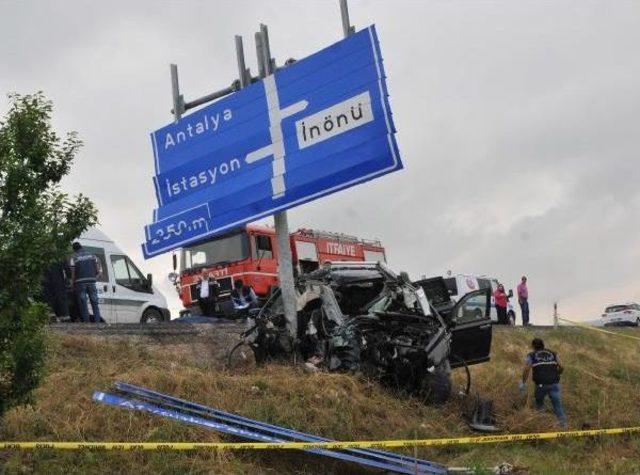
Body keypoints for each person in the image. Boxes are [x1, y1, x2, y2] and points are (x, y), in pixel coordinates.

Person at [520, 338, 567, 428]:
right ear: (543, 345)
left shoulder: (531, 355)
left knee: (539, 403)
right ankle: (563, 425)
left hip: (541, 384)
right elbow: (561, 366)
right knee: (557, 405)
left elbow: (526, 369)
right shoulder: (553, 353)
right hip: (554, 383)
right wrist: (558, 373)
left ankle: (541, 424)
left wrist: (523, 381)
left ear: (533, 346)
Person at [70, 242, 102, 323]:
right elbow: (98, 271)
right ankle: (97, 322)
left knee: (83, 304)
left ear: (74, 250)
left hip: (80, 283)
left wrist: (72, 285)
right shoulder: (92, 256)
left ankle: (87, 323)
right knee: (94, 302)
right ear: (81, 247)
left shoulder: (73, 258)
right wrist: (95, 278)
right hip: (92, 282)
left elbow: (73, 274)